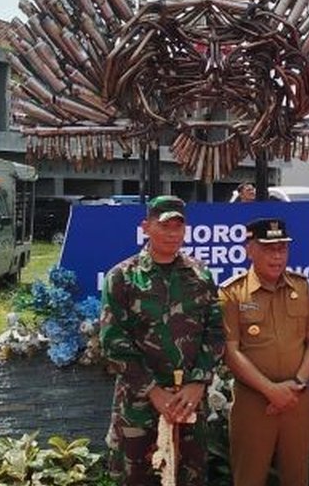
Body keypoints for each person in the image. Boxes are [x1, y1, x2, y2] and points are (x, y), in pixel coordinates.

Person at [100, 195, 226, 485]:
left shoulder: (200, 275)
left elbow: (215, 332)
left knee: (189, 476)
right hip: (140, 406)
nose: (172, 234)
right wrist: (155, 392)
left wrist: (198, 383)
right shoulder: (123, 277)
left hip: (189, 404)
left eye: (178, 227)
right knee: (139, 478)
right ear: (146, 227)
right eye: (164, 226)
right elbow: (113, 342)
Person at [220, 218, 309, 486]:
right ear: (249, 249)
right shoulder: (232, 293)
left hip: (296, 399)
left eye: (282, 249)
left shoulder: (301, 287)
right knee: (249, 477)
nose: (277, 256)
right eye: (268, 249)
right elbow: (231, 351)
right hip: (255, 402)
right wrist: (270, 389)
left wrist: (298, 383)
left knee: (297, 476)